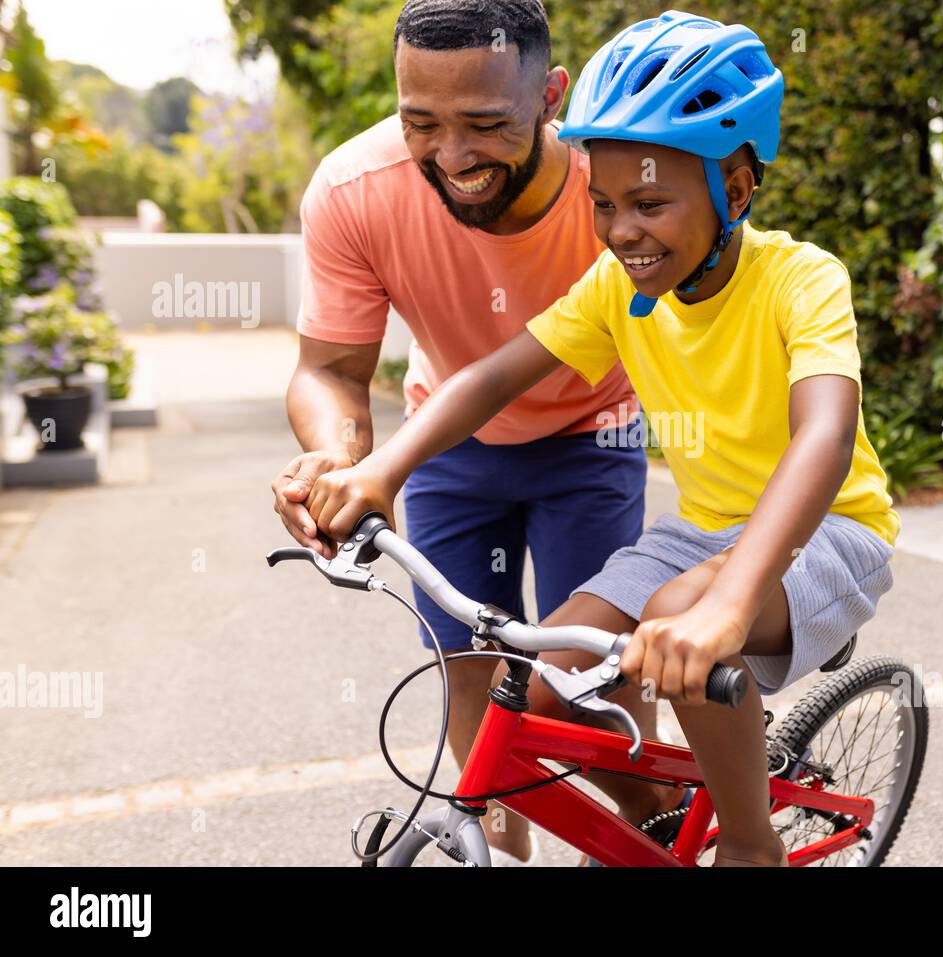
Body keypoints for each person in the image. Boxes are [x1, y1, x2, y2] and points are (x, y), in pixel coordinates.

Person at [303, 9, 901, 867]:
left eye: (650, 203)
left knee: (680, 614)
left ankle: (748, 844)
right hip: (699, 534)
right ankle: (659, 818)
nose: (622, 230)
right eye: (604, 204)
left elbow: (825, 438)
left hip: (828, 531)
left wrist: (734, 598)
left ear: (734, 191)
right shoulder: (616, 287)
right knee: (544, 690)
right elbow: (488, 378)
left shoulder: (801, 278)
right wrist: (379, 469)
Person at [270, 0, 659, 866]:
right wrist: (338, 457)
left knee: (598, 681)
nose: (453, 156)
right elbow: (331, 369)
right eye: (422, 123)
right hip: (444, 444)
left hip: (592, 435)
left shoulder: (618, 185)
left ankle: (656, 841)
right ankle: (505, 849)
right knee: (467, 668)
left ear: (551, 96)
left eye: (487, 124)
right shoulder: (352, 189)